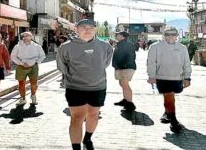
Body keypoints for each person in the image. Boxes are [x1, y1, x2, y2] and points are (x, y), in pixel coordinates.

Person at [57, 19, 113, 150]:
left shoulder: (106, 47)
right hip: (75, 87)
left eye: (91, 27)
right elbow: (62, 66)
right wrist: (74, 76)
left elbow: (105, 64)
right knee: (77, 118)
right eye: (83, 27)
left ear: (95, 29)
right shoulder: (66, 47)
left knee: (93, 114)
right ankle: (76, 148)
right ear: (76, 29)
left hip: (98, 86)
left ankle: (87, 138)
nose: (87, 29)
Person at [147, 27, 192, 133]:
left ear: (177, 35)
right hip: (162, 77)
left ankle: (167, 113)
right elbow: (151, 62)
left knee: (170, 97)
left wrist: (187, 77)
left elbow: (186, 63)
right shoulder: (155, 47)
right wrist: (152, 76)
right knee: (169, 97)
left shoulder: (182, 48)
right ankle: (174, 121)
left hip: (177, 77)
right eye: (167, 34)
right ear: (163, 35)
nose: (170, 36)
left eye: (173, 34)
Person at [11, 32, 46, 106]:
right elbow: (13, 56)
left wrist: (36, 63)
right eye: (23, 36)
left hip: (33, 66)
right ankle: (23, 99)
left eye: (27, 36)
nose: (25, 37)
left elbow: (42, 56)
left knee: (34, 83)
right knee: (21, 84)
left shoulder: (37, 46)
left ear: (31, 37)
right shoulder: (18, 46)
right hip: (21, 66)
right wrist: (22, 63)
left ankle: (33, 96)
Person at [112, 32, 137, 111]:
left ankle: (130, 104)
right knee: (122, 84)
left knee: (124, 84)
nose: (116, 36)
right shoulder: (120, 44)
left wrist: (125, 65)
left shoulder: (127, 44)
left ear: (122, 36)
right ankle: (125, 100)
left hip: (126, 68)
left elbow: (131, 56)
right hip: (120, 67)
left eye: (117, 35)